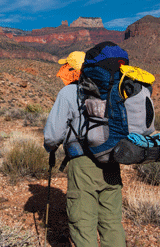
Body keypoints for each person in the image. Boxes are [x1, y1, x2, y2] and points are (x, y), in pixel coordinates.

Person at [43, 42, 127, 247]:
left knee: (83, 222)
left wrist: (51, 148)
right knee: (112, 222)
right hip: (111, 158)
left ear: (75, 70)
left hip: (83, 165)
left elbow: (52, 136)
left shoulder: (69, 93)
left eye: (67, 67)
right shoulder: (114, 89)